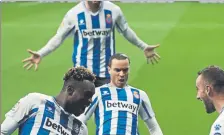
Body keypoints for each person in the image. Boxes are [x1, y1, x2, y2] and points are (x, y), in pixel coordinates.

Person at [22, 1, 160, 87]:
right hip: (81, 73)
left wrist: (144, 46)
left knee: (108, 113)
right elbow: (59, 37)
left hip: (107, 73)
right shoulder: (74, 14)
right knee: (78, 116)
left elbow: (125, 31)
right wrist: (41, 53)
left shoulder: (113, 11)